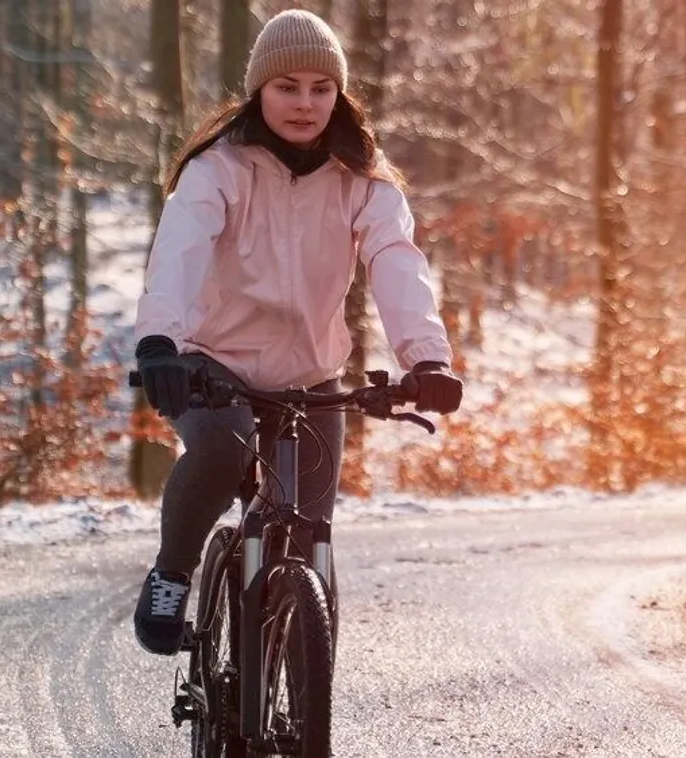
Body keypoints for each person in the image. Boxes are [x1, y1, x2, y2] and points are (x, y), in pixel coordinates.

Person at [130, 8, 463, 656]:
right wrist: (158, 343)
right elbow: (178, 252)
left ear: (339, 95)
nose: (305, 103)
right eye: (288, 87)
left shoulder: (364, 180)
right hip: (212, 362)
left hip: (311, 372)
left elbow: (395, 261)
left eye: (320, 87)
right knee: (223, 449)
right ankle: (172, 571)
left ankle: (294, 689)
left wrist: (427, 358)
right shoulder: (219, 168)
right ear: (259, 90)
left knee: (311, 534)